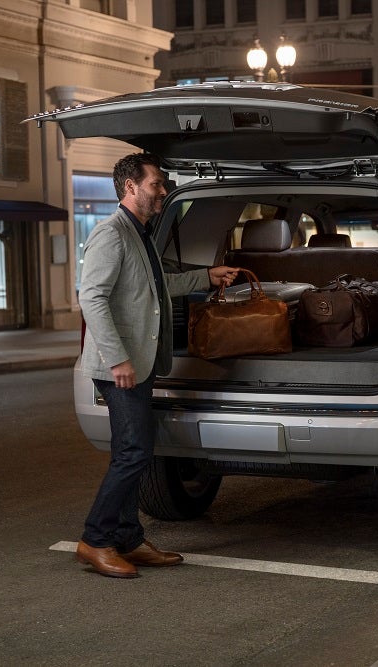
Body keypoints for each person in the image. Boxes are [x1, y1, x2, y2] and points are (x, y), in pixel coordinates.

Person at [75, 153, 239, 578]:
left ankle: (128, 539)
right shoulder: (111, 233)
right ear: (131, 187)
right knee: (134, 453)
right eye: (156, 184)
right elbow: (91, 298)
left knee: (133, 451)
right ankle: (96, 539)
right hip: (121, 365)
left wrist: (206, 277)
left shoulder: (140, 232)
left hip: (138, 362)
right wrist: (118, 359)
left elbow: (155, 285)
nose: (163, 191)